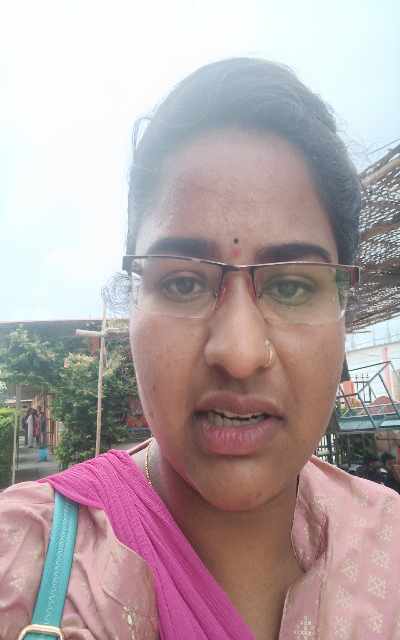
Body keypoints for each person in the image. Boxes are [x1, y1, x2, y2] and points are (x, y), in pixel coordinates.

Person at [1, 58, 400, 639]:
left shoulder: (389, 550)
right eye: (184, 283)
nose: (239, 353)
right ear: (134, 301)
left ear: (344, 308)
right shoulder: (25, 563)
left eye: (292, 286)